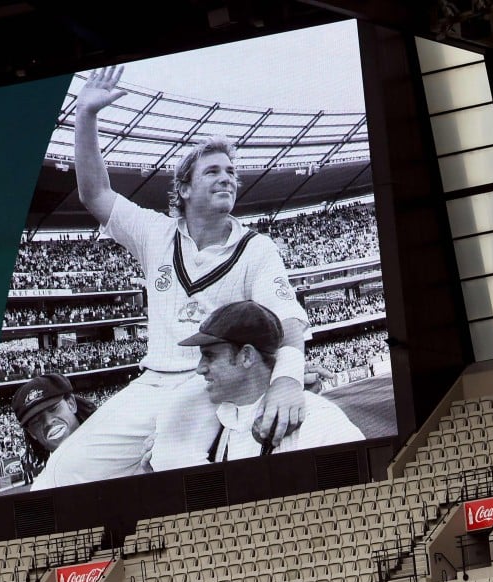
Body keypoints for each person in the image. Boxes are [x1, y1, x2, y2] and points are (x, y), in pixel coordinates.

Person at [28, 65, 309, 490]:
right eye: (213, 171)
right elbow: (95, 194)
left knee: (176, 474)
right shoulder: (155, 233)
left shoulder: (256, 248)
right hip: (153, 381)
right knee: (57, 478)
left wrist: (287, 380)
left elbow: (288, 322)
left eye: (231, 172)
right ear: (184, 189)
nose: (227, 177)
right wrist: (85, 116)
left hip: (213, 382)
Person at [150, 301, 364, 468]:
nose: (200, 368)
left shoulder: (316, 419)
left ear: (246, 357)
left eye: (209, 356)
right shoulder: (219, 424)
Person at [10, 373, 98, 482]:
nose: (48, 422)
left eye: (53, 409)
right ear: (31, 432)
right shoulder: (45, 485)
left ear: (71, 404)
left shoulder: (115, 439)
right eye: (36, 421)